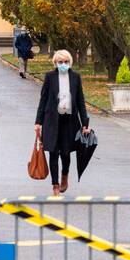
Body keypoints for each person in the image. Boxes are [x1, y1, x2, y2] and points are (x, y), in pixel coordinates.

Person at [34, 49, 91, 195]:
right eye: (60, 62)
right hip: (52, 120)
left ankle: (64, 175)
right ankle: (55, 184)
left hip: (69, 121)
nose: (63, 64)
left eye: (66, 62)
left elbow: (80, 101)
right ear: (55, 63)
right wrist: (38, 122)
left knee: (66, 153)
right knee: (53, 152)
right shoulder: (50, 77)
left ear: (70, 62)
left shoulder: (76, 77)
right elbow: (43, 99)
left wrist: (85, 123)